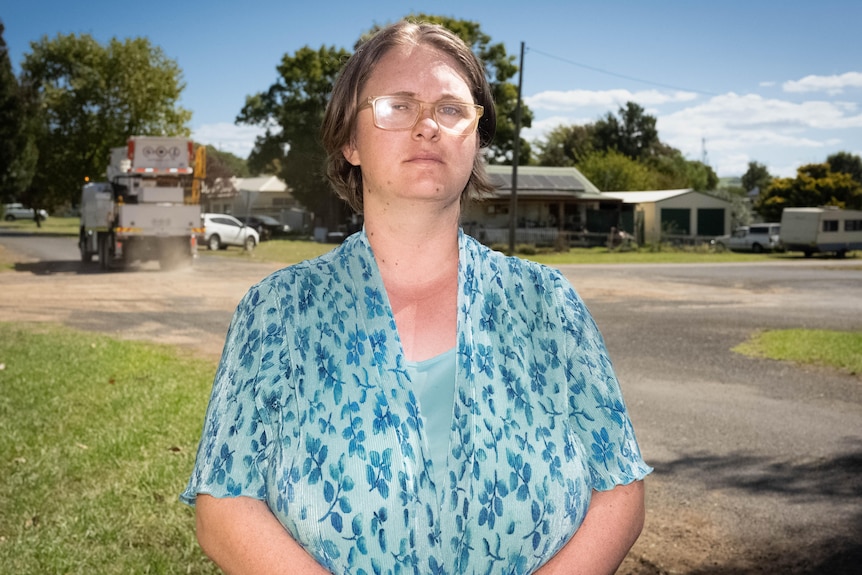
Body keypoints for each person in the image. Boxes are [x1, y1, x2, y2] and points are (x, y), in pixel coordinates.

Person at [181, 20, 651, 575]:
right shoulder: (277, 310)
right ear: (350, 141)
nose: (428, 126)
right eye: (398, 106)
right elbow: (225, 505)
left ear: (475, 139)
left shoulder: (547, 303)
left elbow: (620, 491)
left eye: (451, 109)